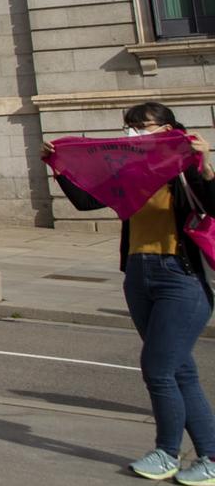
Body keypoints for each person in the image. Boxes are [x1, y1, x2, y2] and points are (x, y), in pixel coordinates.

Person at [45, 102, 215, 484]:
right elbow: (87, 201)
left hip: (181, 278)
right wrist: (59, 169)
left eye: (142, 127)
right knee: (180, 372)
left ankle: (167, 452)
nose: (133, 134)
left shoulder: (185, 169)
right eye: (129, 127)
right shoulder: (132, 169)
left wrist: (204, 165)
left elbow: (213, 204)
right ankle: (211, 457)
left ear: (168, 127)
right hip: (139, 275)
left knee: (158, 370)